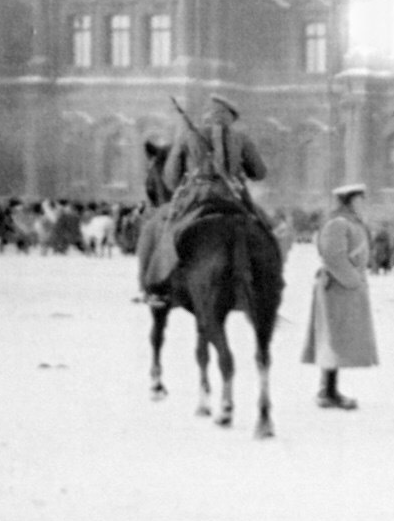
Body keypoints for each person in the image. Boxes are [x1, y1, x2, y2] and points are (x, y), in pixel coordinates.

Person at [138, 94, 272, 307]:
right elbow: (260, 173)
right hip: (233, 196)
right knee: (262, 229)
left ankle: (158, 288)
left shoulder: (188, 136)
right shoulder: (242, 138)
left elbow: (171, 179)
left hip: (196, 196)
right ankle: (266, 285)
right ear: (230, 117)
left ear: (207, 114)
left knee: (167, 232)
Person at [300, 184, 378, 410]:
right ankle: (327, 391)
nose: (363, 203)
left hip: (345, 288)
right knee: (332, 340)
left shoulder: (351, 223)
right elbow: (333, 256)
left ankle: (330, 389)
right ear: (349, 200)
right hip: (337, 288)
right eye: (360, 199)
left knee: (338, 340)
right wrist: (354, 280)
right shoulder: (338, 223)